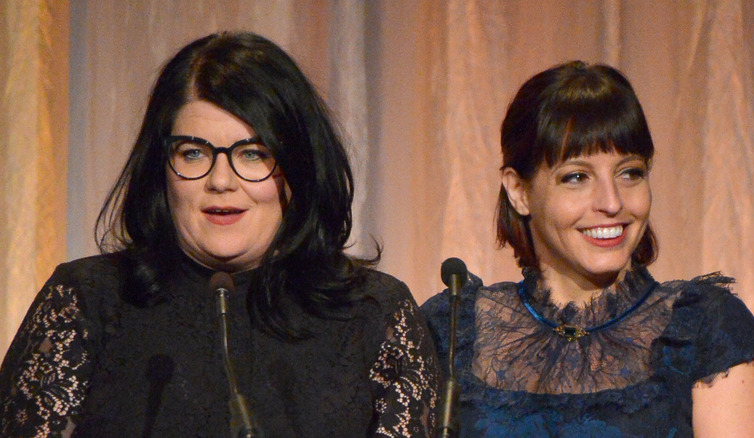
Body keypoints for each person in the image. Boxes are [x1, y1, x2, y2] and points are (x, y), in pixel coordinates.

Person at [0, 31, 439, 437]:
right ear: (161, 168)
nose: (221, 181)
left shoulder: (375, 314)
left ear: (298, 166)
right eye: (193, 153)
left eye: (252, 154)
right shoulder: (86, 300)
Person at [422, 61, 754, 437]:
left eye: (630, 173)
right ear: (519, 191)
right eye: (576, 177)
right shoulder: (452, 328)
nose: (612, 202)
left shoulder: (707, 327)